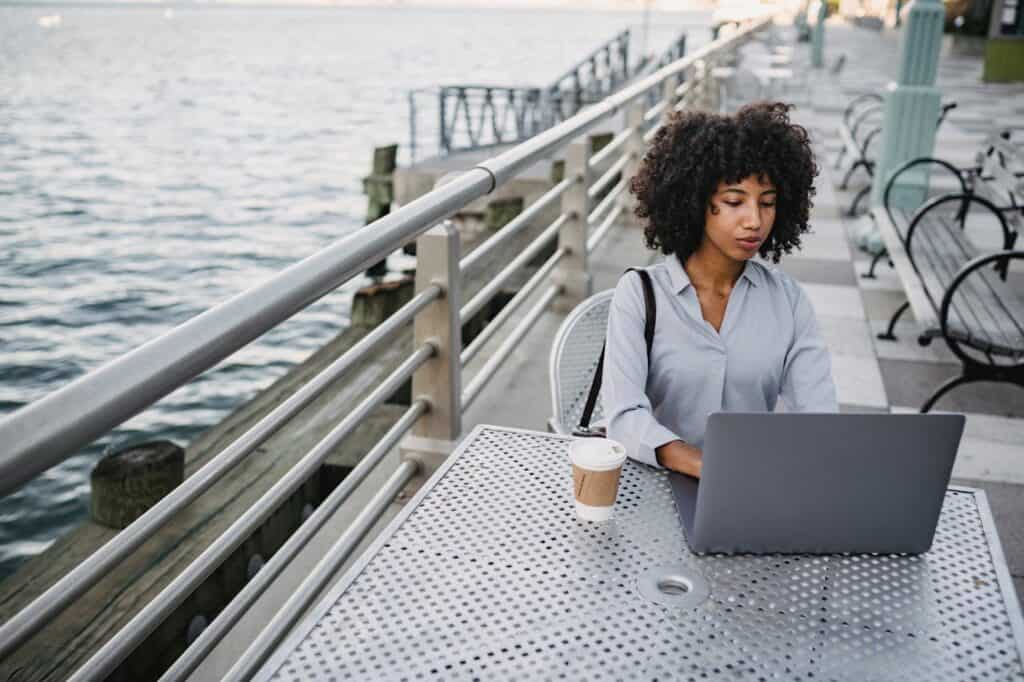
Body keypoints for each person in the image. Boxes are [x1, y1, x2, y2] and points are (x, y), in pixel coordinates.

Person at [603, 101, 838, 480]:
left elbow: (818, 416)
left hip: (751, 487)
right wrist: (705, 465)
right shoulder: (640, 294)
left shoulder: (788, 301)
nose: (754, 221)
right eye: (734, 201)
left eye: (768, 203)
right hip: (652, 487)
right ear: (696, 200)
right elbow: (624, 417)